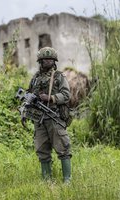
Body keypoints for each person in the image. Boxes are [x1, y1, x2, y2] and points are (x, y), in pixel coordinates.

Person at [27, 47, 72, 183]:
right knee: (42, 149)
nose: (48, 61)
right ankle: (47, 181)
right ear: (40, 61)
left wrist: (50, 98)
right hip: (39, 119)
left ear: (54, 61)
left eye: (51, 59)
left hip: (54, 117)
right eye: (45, 59)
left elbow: (66, 95)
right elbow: (29, 92)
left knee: (63, 148)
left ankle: (67, 181)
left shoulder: (59, 76)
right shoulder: (35, 78)